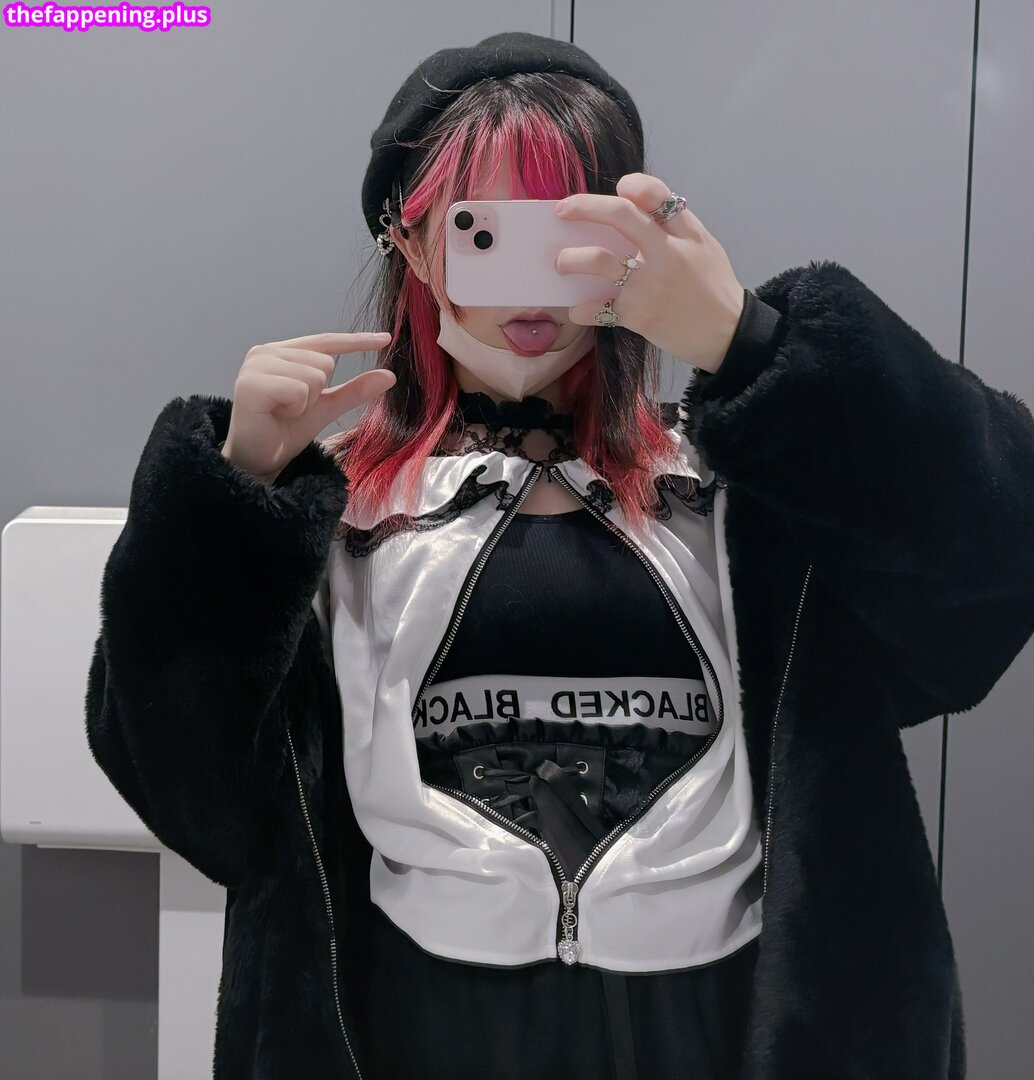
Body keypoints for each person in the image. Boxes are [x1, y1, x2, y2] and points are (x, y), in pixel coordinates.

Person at [84, 30, 1034, 1080]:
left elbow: (988, 572)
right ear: (409, 242)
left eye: (567, 231)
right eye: (485, 231)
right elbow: (184, 783)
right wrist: (238, 494)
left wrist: (754, 345)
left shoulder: (744, 491)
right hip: (419, 1023)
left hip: (719, 1023)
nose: (529, 287)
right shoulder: (340, 508)